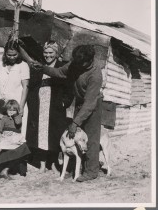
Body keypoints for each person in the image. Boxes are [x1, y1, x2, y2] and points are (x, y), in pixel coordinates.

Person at [22, 44, 103, 182]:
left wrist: (75, 122)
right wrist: (43, 68)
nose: (78, 65)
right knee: (75, 138)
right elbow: (60, 72)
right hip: (79, 103)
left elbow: (89, 103)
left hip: (92, 105)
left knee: (90, 138)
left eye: (81, 63)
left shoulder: (95, 75)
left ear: (89, 60)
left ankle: (91, 171)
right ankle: (75, 167)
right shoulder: (76, 62)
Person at [26, 40, 74, 174]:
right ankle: (42, 164)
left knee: (54, 135)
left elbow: (69, 88)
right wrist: (32, 103)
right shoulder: (37, 67)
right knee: (40, 136)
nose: (48, 56)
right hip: (40, 106)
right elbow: (32, 87)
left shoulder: (61, 67)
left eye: (51, 53)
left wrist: (65, 102)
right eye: (46, 53)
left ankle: (52, 163)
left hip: (55, 107)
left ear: (56, 53)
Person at [0, 40, 30, 138]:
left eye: (14, 55)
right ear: (5, 53)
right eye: (9, 55)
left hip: (17, 106)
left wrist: (21, 107)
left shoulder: (23, 65)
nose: (12, 57)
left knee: (17, 134)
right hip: (4, 107)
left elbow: (25, 87)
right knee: (4, 134)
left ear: (19, 53)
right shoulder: (1, 65)